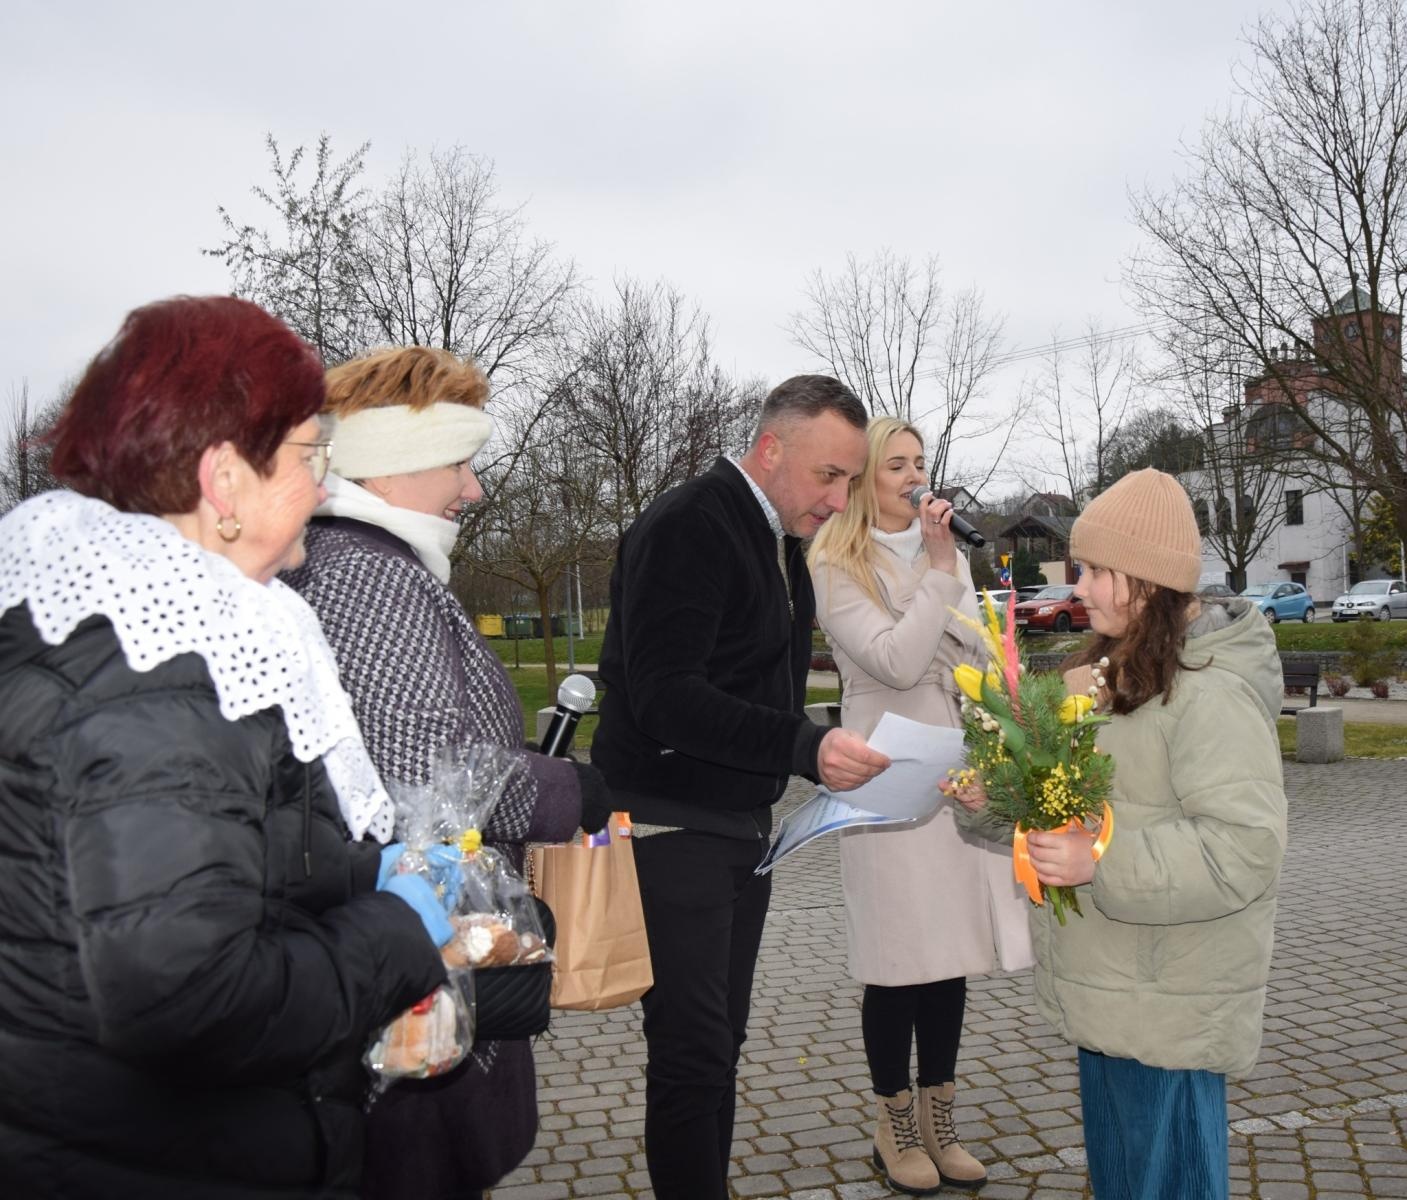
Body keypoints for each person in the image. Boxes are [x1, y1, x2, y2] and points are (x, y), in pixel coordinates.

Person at [0, 296, 450, 1200]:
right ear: (224, 481)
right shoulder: (157, 669)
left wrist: (360, 876)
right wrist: (399, 928)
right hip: (152, 1160)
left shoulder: (96, 620)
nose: (323, 485)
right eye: (308, 454)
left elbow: (179, 872)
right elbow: (186, 998)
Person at [283, 345, 601, 1200]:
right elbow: (420, 772)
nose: (475, 489)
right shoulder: (371, 578)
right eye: (460, 463)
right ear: (392, 466)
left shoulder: (356, 564)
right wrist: (569, 792)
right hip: (414, 979)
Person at [591, 374, 892, 1200]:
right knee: (691, 1052)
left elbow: (752, 681)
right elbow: (664, 693)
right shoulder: (693, 523)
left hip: (733, 830)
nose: (837, 500)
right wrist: (803, 744)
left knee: (717, 1044)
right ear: (772, 449)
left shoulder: (776, 541)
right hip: (668, 827)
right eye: (828, 477)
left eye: (848, 481)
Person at [949, 468, 1287, 1200]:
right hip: (1113, 992)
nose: (1082, 587)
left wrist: (1096, 861)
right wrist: (990, 799)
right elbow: (1060, 805)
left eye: (1100, 570)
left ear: (1152, 579)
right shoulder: (1102, 674)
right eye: (1083, 568)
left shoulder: (1210, 692)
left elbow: (1241, 850)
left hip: (1169, 1005)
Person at [809, 417, 1032, 1195]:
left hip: (955, 765)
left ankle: (940, 1115)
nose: (912, 476)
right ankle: (893, 1120)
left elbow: (976, 652)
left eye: (920, 462)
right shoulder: (835, 560)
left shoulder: (946, 558)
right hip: (883, 767)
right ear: (865, 477)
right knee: (898, 956)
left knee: (948, 955)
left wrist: (941, 617)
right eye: (894, 465)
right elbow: (897, 661)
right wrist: (939, 584)